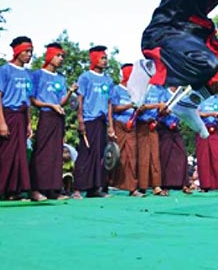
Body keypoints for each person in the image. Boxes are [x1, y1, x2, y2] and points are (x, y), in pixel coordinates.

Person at [29, 42, 77, 201]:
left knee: (56, 153)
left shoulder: (61, 78)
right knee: (42, 153)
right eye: (58, 55)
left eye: (62, 56)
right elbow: (33, 100)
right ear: (49, 56)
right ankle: (36, 189)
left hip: (58, 117)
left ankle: (53, 190)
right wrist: (50, 105)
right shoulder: (37, 75)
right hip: (46, 116)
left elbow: (61, 102)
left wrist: (70, 92)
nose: (61, 59)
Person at [0, 36, 34, 201]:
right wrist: (1, 122)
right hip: (8, 114)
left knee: (20, 155)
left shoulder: (28, 74)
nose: (29, 55)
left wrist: (29, 123)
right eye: (26, 51)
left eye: (31, 51)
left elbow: (28, 100)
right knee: (4, 154)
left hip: (21, 117)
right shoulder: (5, 70)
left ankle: (13, 191)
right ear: (17, 52)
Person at [74, 45, 115, 199]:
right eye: (102, 58)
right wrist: (80, 120)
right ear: (94, 59)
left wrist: (110, 126)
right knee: (85, 154)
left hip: (102, 121)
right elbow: (80, 99)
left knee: (100, 156)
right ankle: (78, 188)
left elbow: (109, 104)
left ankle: (95, 188)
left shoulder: (108, 80)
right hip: (89, 120)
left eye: (106, 58)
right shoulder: (85, 77)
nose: (105, 61)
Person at [109, 64, 142, 196]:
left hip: (132, 125)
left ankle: (132, 188)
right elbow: (114, 108)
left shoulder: (136, 92)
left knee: (132, 156)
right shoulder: (116, 89)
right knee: (118, 155)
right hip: (119, 124)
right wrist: (129, 105)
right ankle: (113, 182)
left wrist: (138, 109)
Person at [136, 84, 168, 196]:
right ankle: (142, 186)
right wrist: (156, 105)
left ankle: (156, 185)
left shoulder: (160, 89)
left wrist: (164, 110)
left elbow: (163, 109)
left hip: (153, 125)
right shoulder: (140, 87)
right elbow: (139, 107)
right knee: (143, 156)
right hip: (141, 124)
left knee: (155, 156)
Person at [158, 89, 191, 194]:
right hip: (163, 127)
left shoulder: (182, 94)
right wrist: (164, 111)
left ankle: (183, 183)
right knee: (165, 155)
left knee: (182, 154)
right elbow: (159, 110)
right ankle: (164, 184)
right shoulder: (163, 92)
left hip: (175, 127)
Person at [196, 94, 218, 193]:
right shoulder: (199, 96)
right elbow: (196, 113)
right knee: (203, 158)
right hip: (202, 128)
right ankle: (205, 185)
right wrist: (210, 114)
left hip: (214, 129)